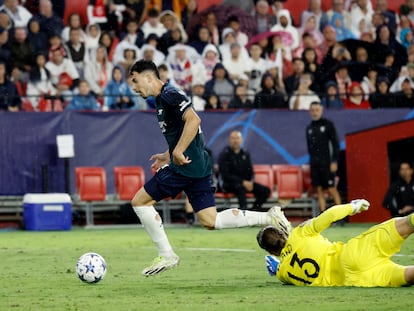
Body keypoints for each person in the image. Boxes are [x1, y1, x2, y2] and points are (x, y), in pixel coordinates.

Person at [128, 60, 290, 276]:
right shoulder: (162, 99)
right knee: (209, 220)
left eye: (136, 81)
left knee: (139, 201)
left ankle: (166, 254)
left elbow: (194, 120)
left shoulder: (168, 95)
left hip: (184, 167)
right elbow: (183, 131)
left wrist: (177, 153)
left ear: (149, 77)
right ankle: (269, 217)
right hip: (197, 165)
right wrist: (168, 154)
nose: (135, 87)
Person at [257, 199, 414, 287]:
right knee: (404, 224)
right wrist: (353, 207)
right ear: (282, 232)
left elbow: (279, 269)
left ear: (271, 252)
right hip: (349, 256)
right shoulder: (300, 233)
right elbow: (329, 215)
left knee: (406, 275)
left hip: (353, 280)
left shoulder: (284, 273)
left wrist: (277, 266)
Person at [218, 130, 270, 210]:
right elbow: (225, 175)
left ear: (241, 140)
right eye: (233, 138)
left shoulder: (245, 154)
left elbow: (250, 171)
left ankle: (254, 210)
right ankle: (243, 211)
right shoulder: (224, 154)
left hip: (245, 183)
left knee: (265, 190)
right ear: (229, 140)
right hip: (228, 184)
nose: (235, 141)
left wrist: (250, 182)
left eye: (237, 138)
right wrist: (243, 182)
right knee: (241, 188)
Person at [306, 101, 342, 213]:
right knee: (319, 189)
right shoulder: (309, 128)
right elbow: (310, 149)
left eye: (317, 110)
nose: (315, 112)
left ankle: (340, 216)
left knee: (332, 189)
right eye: (312, 110)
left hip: (327, 163)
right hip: (315, 164)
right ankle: (323, 216)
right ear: (309, 112)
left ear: (321, 110)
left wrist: (334, 161)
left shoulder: (328, 125)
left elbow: (335, 144)